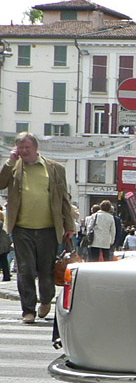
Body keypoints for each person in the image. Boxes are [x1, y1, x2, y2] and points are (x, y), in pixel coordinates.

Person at [0, 132, 76, 323]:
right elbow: (1, 184)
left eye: (27, 147)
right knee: (25, 269)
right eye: (20, 147)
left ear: (36, 148)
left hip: (48, 228)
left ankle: (46, 300)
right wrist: (9, 162)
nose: (24, 151)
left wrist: (69, 225)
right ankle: (28, 310)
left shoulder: (55, 168)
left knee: (46, 270)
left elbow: (63, 198)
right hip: (21, 228)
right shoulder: (14, 167)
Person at [0, 205, 11, 282]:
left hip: (2, 245)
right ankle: (6, 276)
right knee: (4, 261)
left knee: (4, 261)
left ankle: (6, 276)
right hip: (3, 244)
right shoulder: (2, 224)